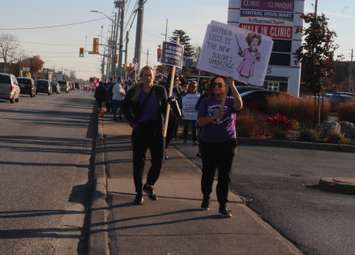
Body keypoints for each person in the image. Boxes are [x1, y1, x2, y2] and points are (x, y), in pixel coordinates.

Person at [197, 76, 243, 218]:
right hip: (208, 143)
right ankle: (206, 197)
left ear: (225, 87)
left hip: (227, 143)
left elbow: (239, 106)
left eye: (220, 85)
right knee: (208, 173)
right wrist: (213, 117)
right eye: (214, 85)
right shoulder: (205, 101)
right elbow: (200, 122)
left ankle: (223, 205)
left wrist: (233, 86)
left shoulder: (229, 101)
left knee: (224, 176)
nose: (217, 87)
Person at [122, 66, 168, 205]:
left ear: (154, 77)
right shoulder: (134, 90)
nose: (147, 77)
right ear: (140, 76)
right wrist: (132, 122)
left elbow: (166, 109)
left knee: (158, 161)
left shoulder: (160, 90)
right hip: (140, 130)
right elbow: (125, 107)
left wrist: (170, 104)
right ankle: (138, 192)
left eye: (150, 75)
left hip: (156, 130)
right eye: (145, 75)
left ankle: (149, 184)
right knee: (138, 163)